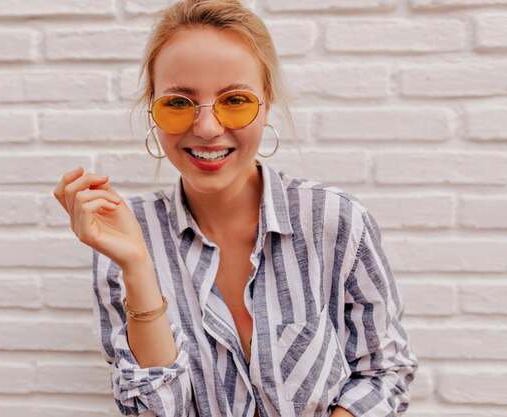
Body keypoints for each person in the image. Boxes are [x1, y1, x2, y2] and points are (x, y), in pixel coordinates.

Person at [52, 1, 418, 416]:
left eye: (235, 100)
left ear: (266, 102)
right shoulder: (124, 239)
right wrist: (138, 265)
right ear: (151, 107)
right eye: (177, 103)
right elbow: (152, 409)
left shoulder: (335, 220)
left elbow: (384, 374)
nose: (207, 128)